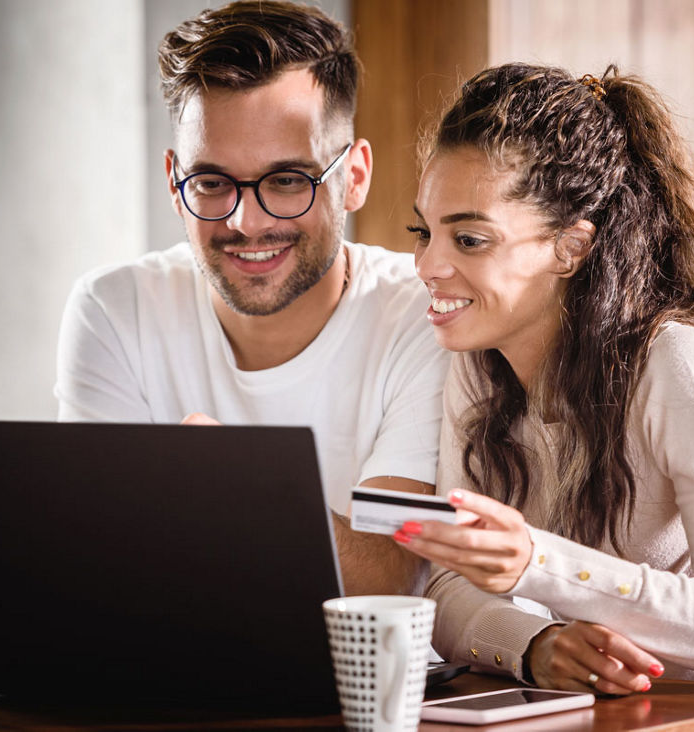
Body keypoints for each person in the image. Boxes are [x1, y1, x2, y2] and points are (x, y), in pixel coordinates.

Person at [394, 63, 694, 693]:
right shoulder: (477, 365)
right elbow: (449, 586)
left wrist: (537, 563)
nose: (428, 265)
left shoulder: (676, 365)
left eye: (471, 239)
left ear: (570, 247)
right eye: (424, 232)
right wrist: (533, 645)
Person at [54, 1, 449, 595]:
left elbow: (389, 576)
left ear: (355, 177)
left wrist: (250, 483)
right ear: (174, 180)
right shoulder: (114, 310)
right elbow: (97, 566)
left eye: (288, 180)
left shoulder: (425, 315)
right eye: (211, 183)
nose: (245, 221)